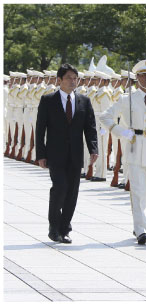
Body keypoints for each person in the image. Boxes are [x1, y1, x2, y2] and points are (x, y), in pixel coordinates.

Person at [100, 59, 146, 245]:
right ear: (137, 77)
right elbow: (105, 116)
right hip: (135, 148)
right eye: (143, 75)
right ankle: (142, 230)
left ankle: (141, 223)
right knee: (138, 192)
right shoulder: (127, 98)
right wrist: (121, 132)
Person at [36, 64, 98, 243]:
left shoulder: (84, 101)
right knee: (60, 188)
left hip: (75, 154)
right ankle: (53, 227)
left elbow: (90, 128)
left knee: (72, 192)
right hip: (55, 154)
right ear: (59, 80)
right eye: (69, 78)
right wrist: (41, 154)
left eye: (75, 78)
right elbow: (40, 129)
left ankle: (65, 228)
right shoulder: (48, 100)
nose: (73, 81)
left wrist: (93, 148)